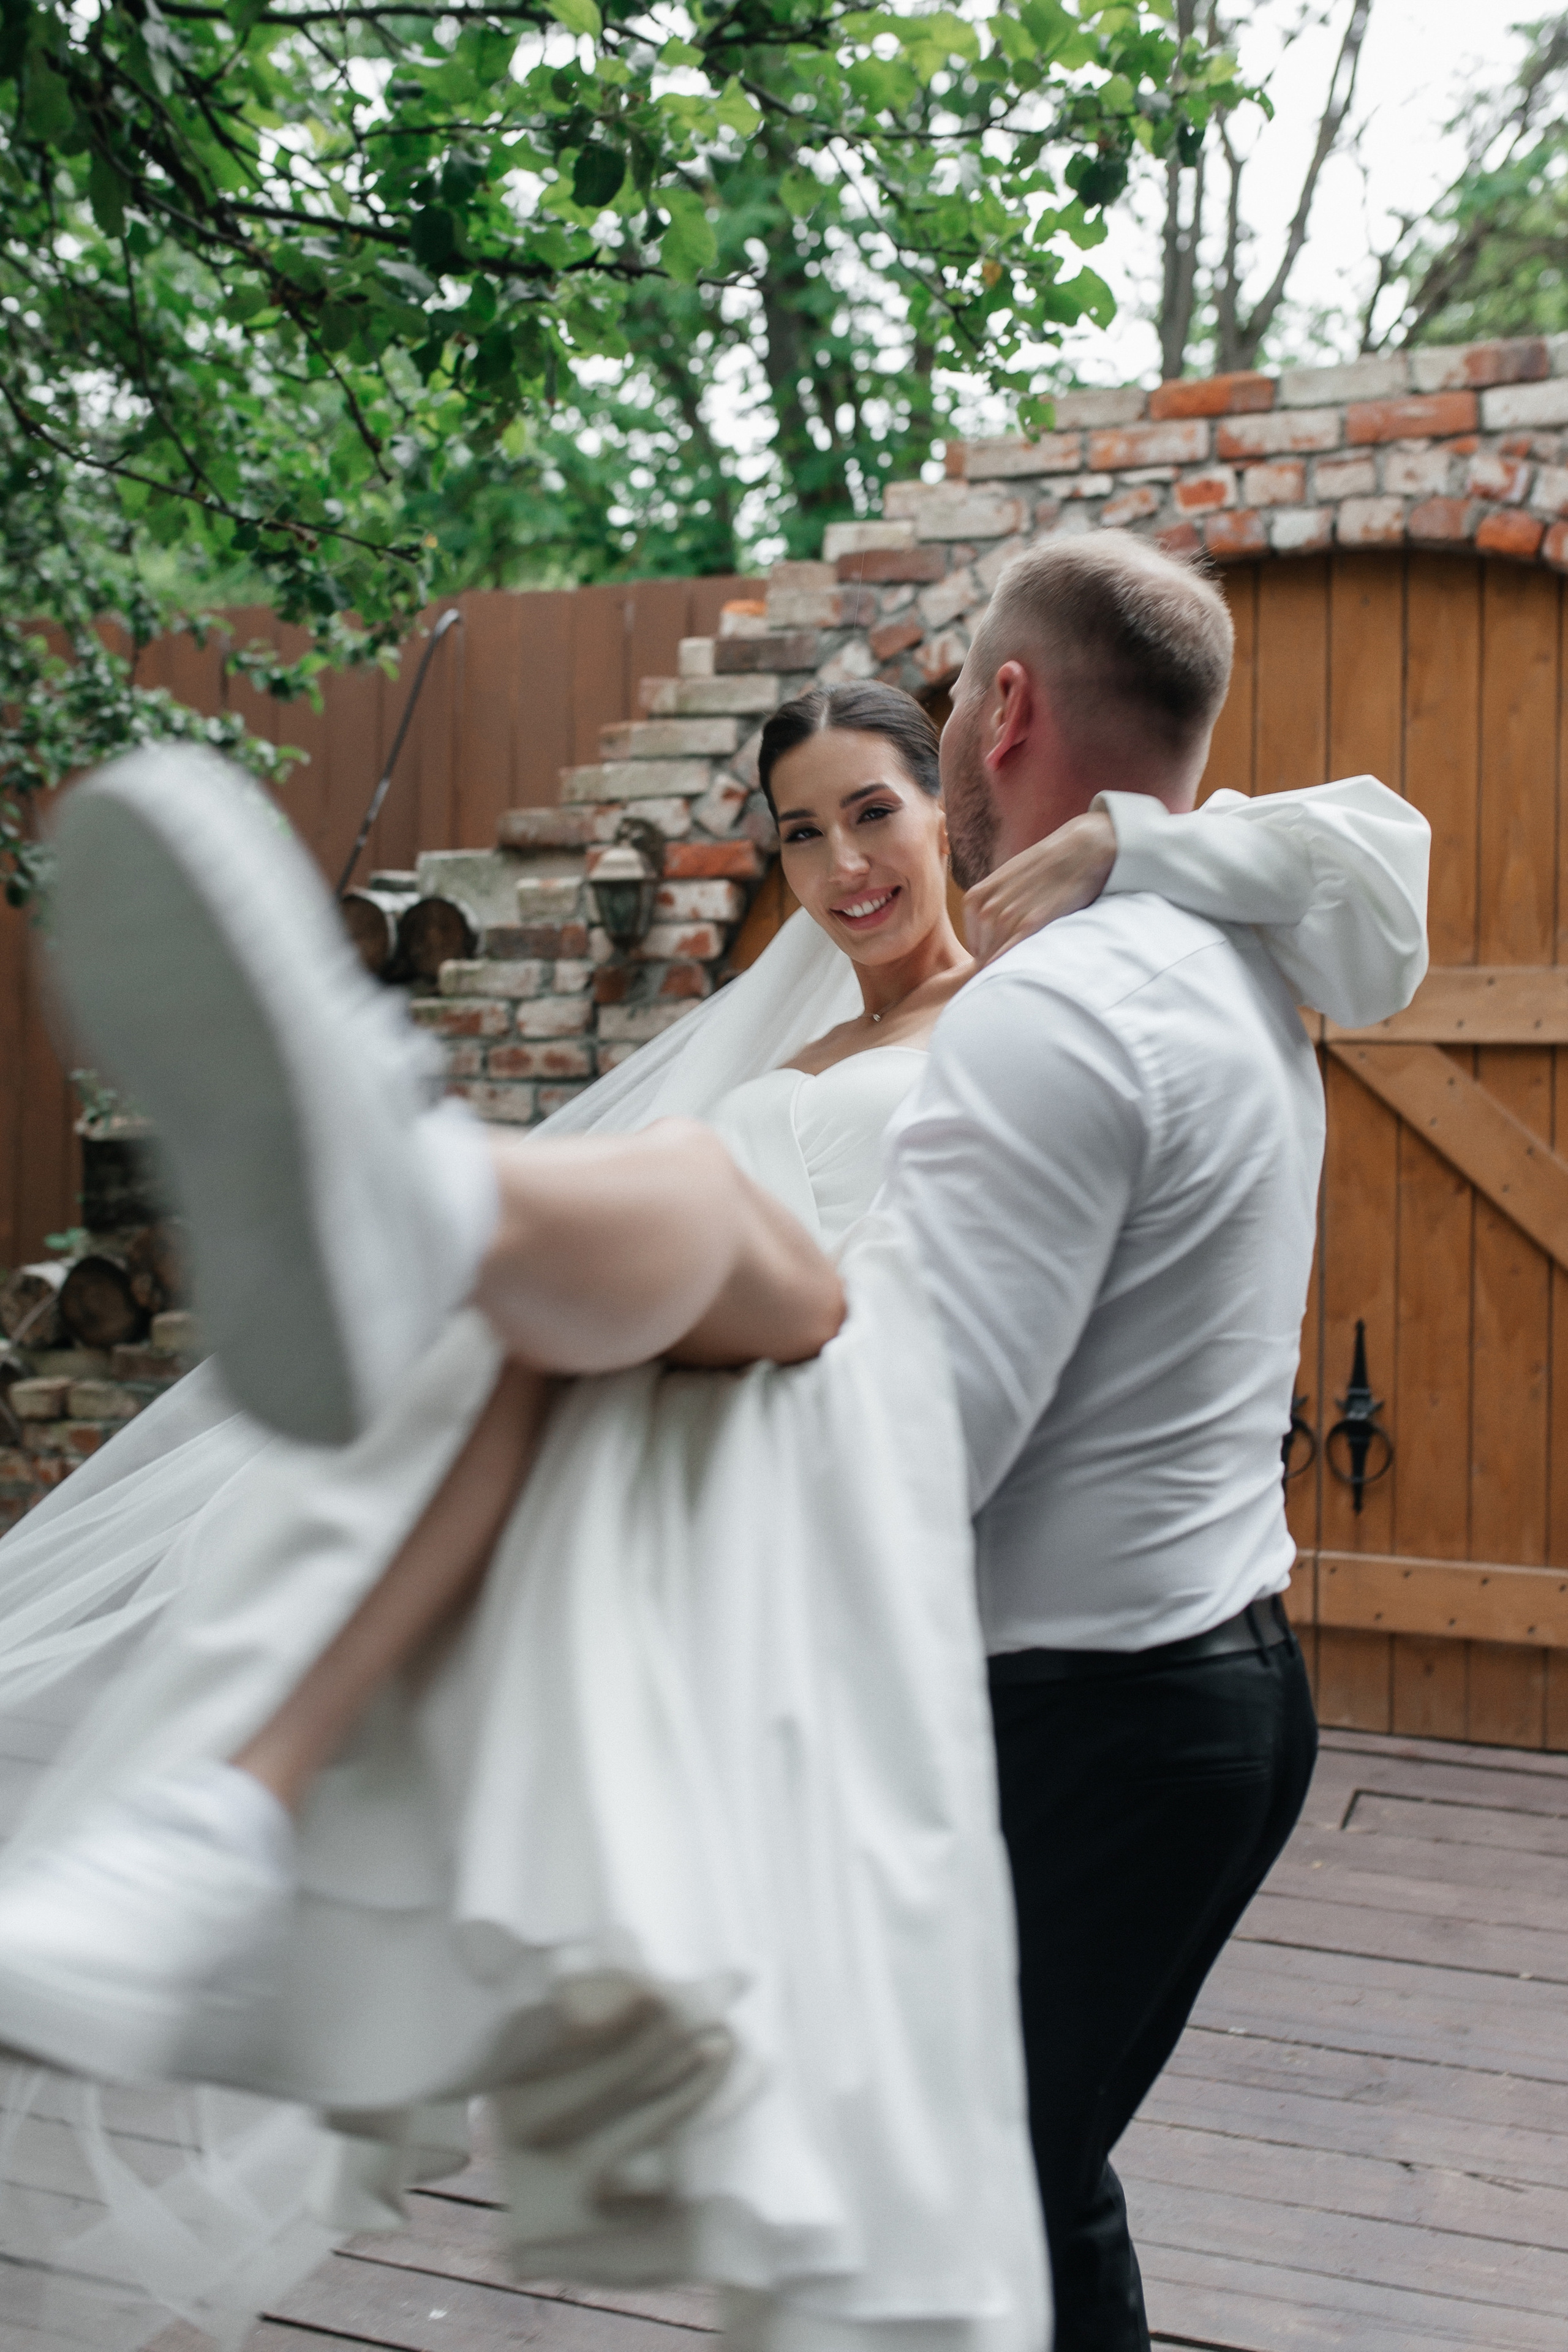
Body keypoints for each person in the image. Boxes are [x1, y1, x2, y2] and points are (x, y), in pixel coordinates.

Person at [0, 556, 1427, 2348]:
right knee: (1024, 2190)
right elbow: (1348, 876)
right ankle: (249, 1780)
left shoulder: (1061, 1004)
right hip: (1107, 1671)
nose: (850, 865)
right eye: (803, 833)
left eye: (881, 809)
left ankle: (416, 1227)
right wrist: (1151, 847)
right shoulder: (1208, 944)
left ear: (991, 721)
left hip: (1083, 1686)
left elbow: (923, 1439)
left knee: (998, 2194)